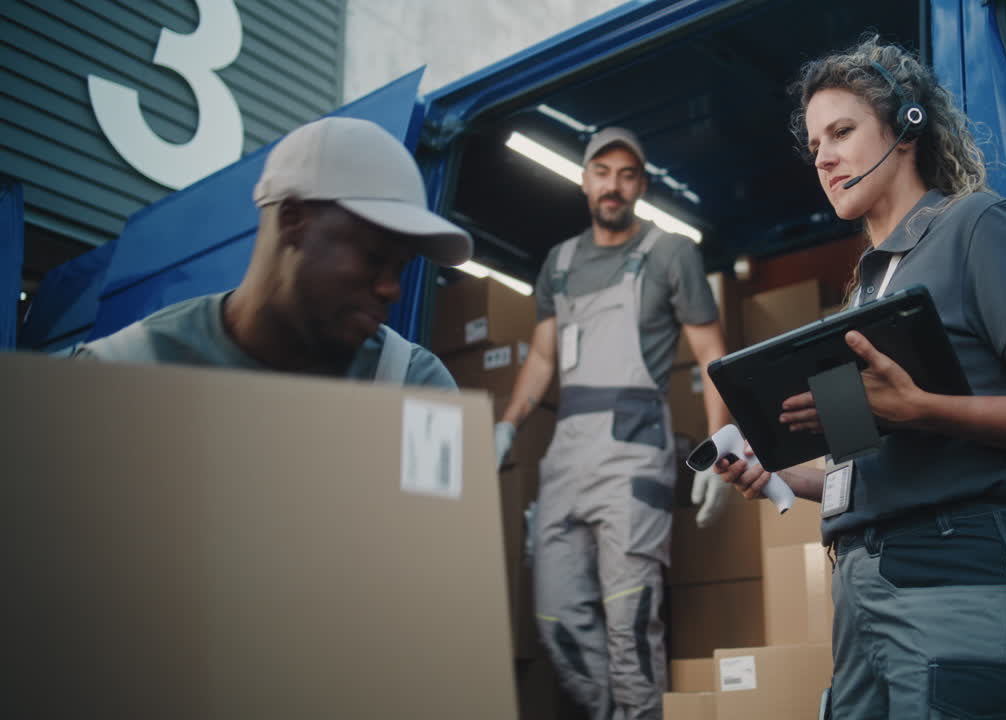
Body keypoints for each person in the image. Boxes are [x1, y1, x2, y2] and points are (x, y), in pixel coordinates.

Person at [716, 36, 1006, 719]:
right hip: (863, 595)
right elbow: (867, 466)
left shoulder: (975, 226)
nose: (825, 158)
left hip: (960, 578)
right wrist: (781, 475)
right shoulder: (864, 294)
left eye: (842, 132)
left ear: (905, 127)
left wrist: (924, 407)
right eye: (815, 146)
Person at [493, 127, 732, 719]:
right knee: (556, 619)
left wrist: (721, 446)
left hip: (633, 453)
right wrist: (508, 425)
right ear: (584, 180)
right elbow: (544, 357)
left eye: (628, 175)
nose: (614, 186)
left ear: (641, 186)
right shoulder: (561, 262)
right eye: (603, 172)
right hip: (567, 455)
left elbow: (712, 356)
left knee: (629, 618)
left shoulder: (670, 253)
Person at [76, 116, 472, 388]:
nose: (391, 289)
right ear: (292, 219)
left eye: (400, 268)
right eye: (374, 257)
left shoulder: (412, 385)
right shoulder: (115, 373)